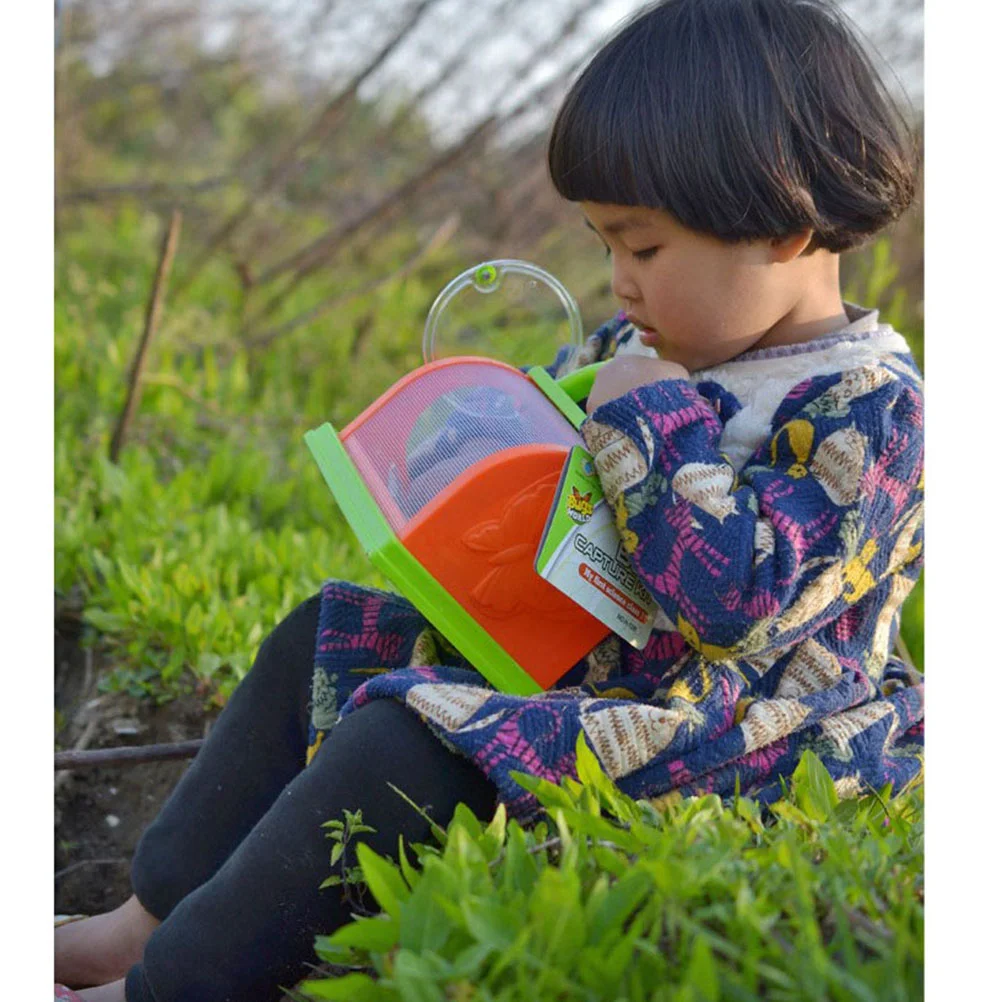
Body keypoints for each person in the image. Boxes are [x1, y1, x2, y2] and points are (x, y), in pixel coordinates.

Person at [55, 1, 924, 999]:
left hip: (740, 728)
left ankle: (170, 985)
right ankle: (141, 921)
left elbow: (736, 608)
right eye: (604, 246)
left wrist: (658, 426)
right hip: (585, 663)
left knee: (407, 738)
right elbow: (548, 458)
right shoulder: (642, 349)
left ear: (785, 225)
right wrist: (477, 438)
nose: (619, 283)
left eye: (643, 250)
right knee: (324, 636)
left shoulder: (877, 419)